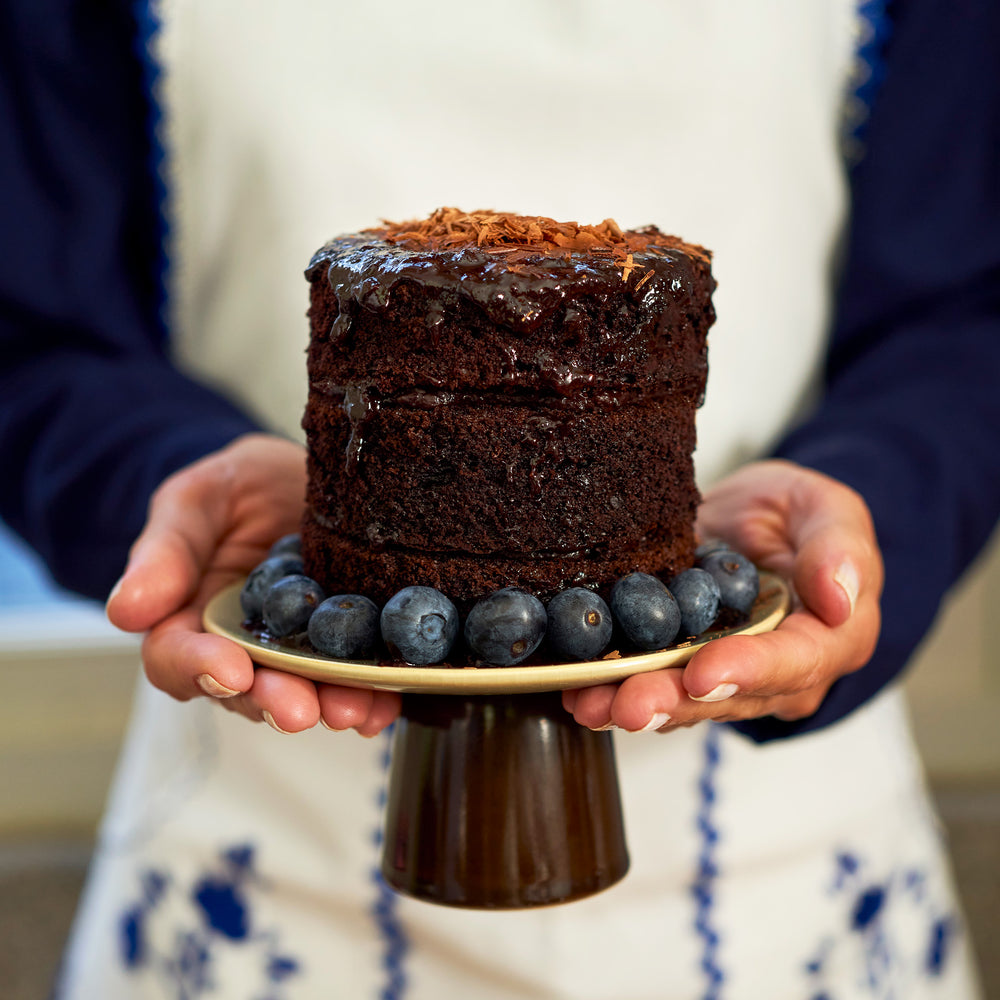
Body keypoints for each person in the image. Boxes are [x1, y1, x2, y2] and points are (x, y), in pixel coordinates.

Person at [1, 1, 997, 997]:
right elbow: (35, 327)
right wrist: (167, 467)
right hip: (255, 879)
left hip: (790, 888)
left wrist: (867, 491)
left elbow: (962, 314)